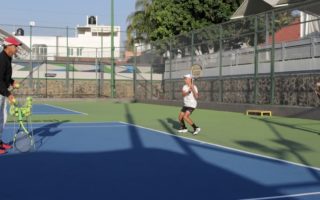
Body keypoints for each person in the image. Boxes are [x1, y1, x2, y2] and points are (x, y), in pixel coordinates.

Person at [0, 36, 21, 154]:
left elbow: (4, 77)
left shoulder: (7, 58)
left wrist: (12, 82)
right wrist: (8, 94)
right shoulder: (2, 59)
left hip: (2, 92)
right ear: (8, 46)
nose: (16, 48)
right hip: (1, 92)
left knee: (2, 118)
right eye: (15, 46)